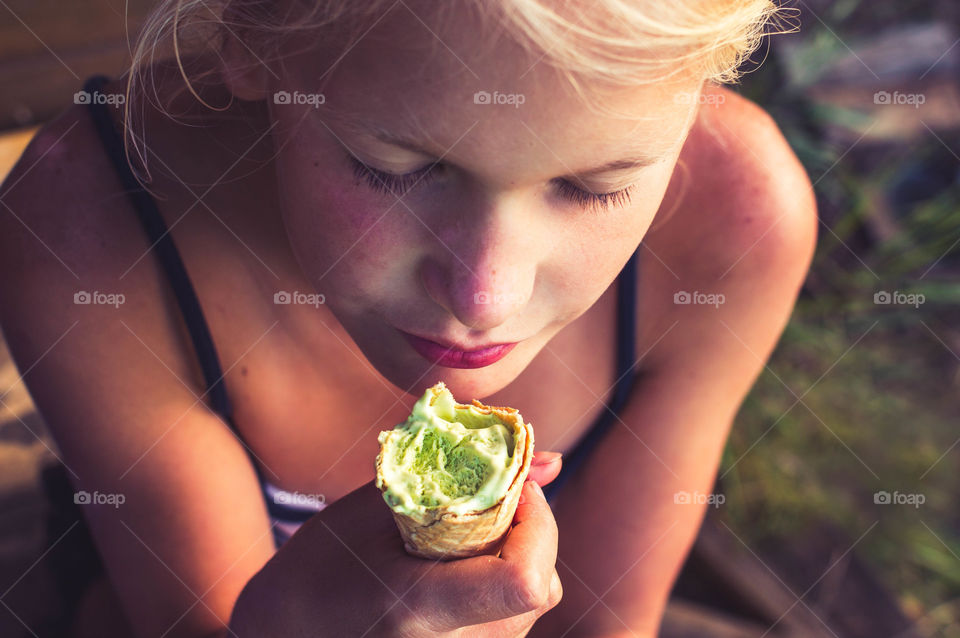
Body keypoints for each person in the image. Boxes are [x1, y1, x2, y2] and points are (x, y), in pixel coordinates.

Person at [0, 0, 815, 636]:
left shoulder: (737, 221)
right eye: (396, 167)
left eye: (596, 185)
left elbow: (605, 620)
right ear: (253, 35)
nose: (483, 299)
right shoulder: (89, 226)